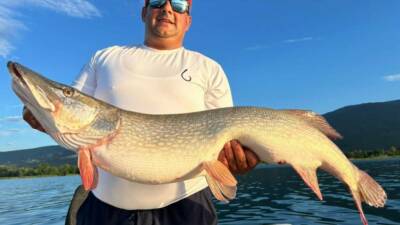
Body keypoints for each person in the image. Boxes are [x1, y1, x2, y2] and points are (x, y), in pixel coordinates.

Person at [23, 0, 260, 224]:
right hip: (104, 209)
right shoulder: (105, 57)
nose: (167, 9)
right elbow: (71, 107)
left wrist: (234, 160)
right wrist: (41, 113)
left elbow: (227, 141)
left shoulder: (209, 69)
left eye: (178, 4)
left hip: (186, 207)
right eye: (157, 1)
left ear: (188, 20)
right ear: (144, 12)